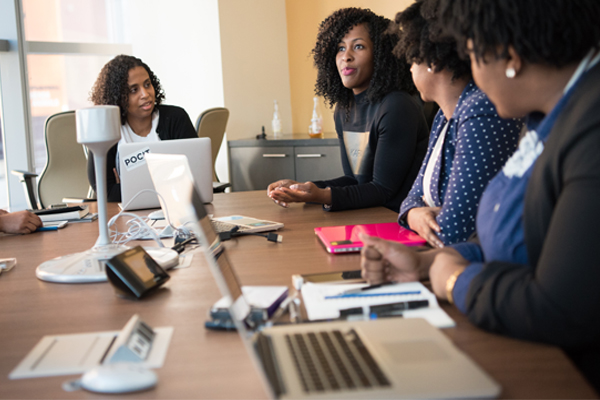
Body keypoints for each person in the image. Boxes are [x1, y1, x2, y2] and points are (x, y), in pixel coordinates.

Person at [360, 0, 600, 391]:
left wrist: (455, 280)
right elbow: (513, 236)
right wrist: (430, 263)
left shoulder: (589, 128)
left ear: (509, 56)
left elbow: (559, 310)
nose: (471, 72)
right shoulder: (547, 119)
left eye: (472, 55)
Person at [267, 8, 429, 212]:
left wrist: (321, 195)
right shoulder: (343, 110)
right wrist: (303, 189)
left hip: (398, 222)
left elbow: (383, 190)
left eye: (358, 46)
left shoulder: (397, 106)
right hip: (368, 216)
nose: (346, 57)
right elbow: (355, 180)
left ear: (380, 54)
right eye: (340, 48)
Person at [394, 0, 522, 248]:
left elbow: (455, 229)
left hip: (464, 260)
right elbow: (411, 197)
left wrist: (423, 215)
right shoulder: (444, 115)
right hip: (439, 254)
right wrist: (414, 214)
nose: (410, 68)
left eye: (413, 60)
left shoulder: (480, 109)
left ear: (432, 61)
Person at [87, 55, 197, 202]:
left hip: (177, 210)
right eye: (133, 90)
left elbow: (194, 179)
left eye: (147, 84)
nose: (145, 94)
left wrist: (127, 188)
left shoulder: (176, 118)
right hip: (128, 218)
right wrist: (167, 185)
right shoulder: (106, 130)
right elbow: (106, 193)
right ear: (117, 96)